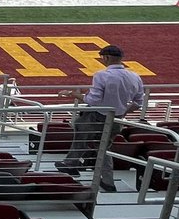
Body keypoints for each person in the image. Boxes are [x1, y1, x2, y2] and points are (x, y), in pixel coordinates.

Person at [55, 44, 144, 192]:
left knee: (81, 133)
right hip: (117, 118)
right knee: (103, 148)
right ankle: (106, 181)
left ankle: (71, 163)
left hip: (97, 116)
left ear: (106, 57)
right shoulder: (134, 76)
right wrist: (122, 112)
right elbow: (138, 102)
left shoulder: (101, 75)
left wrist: (73, 94)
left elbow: (93, 100)